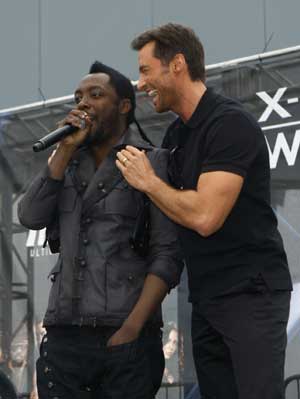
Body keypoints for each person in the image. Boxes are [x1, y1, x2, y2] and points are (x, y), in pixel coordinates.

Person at [116, 23, 293, 399]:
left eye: (146, 70)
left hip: (251, 294)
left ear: (177, 64)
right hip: (207, 298)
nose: (140, 82)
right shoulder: (176, 136)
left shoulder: (229, 123)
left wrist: (149, 181)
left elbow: (205, 217)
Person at [18, 61, 183, 399]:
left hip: (124, 336)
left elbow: (167, 255)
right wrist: (63, 150)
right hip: (64, 338)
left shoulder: (151, 161)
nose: (83, 103)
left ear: (123, 106)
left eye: (96, 94)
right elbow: (30, 216)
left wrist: (132, 329)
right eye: (78, 96)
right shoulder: (65, 163)